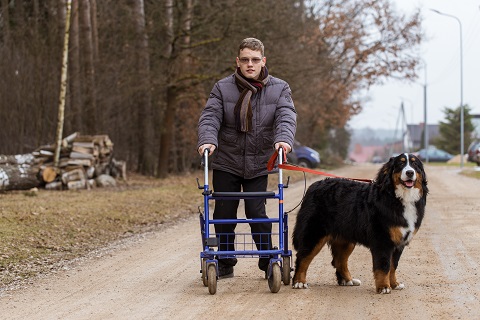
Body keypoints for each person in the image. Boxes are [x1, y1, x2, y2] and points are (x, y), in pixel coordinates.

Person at [197, 37, 296, 279]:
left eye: (254, 60)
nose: (249, 64)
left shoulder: (279, 88)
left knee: (257, 211)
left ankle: (266, 259)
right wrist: (207, 140)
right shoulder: (222, 88)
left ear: (263, 61)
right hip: (227, 160)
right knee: (224, 213)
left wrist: (284, 140)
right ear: (237, 62)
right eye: (245, 60)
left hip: (258, 161)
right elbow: (210, 117)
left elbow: (286, 115)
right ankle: (224, 260)